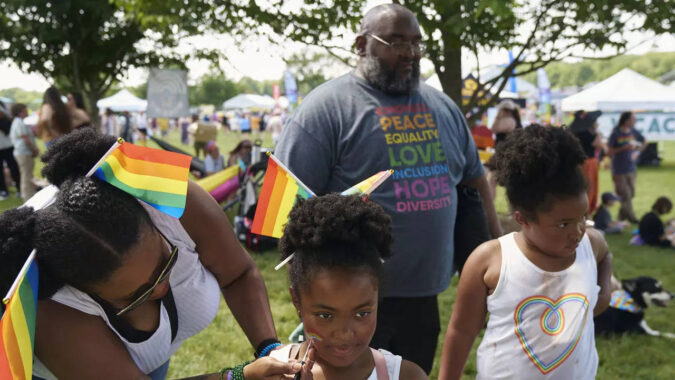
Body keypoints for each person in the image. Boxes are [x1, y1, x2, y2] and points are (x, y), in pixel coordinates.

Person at [274, 4, 502, 373]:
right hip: (347, 302)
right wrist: (309, 295)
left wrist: (497, 249)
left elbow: (474, 180)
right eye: (396, 41)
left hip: (423, 296)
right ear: (362, 44)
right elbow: (286, 199)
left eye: (416, 43)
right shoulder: (325, 109)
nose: (410, 53)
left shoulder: (443, 107)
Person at [0, 128, 296, 379]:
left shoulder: (173, 203)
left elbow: (238, 274)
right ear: (81, 290)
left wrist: (270, 349)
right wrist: (240, 375)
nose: (163, 287)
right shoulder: (51, 311)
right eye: (136, 296)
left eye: (166, 263)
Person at [439, 126, 613, 380]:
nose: (577, 232)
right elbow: (461, 331)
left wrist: (603, 290)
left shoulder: (590, 244)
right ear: (523, 219)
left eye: (583, 218)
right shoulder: (491, 261)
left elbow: (605, 254)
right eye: (563, 224)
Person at [271, 194, 428, 379]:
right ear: (297, 300)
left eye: (362, 314)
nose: (344, 334)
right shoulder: (272, 372)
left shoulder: (406, 376)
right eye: (326, 315)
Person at [608, 111, 646, 223]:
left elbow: (645, 141)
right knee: (626, 194)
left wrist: (637, 152)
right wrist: (623, 148)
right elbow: (609, 151)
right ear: (626, 120)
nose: (635, 121)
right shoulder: (616, 133)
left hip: (631, 169)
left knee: (631, 193)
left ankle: (621, 217)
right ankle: (632, 217)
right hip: (619, 169)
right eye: (633, 119)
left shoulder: (634, 132)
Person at [485, 99, 522, 200]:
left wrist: (497, 117)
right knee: (496, 180)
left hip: (506, 155)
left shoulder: (509, 121)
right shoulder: (513, 120)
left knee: (497, 181)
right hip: (505, 154)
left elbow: (494, 129)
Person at [570, 110, 603, 214]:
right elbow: (597, 144)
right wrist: (598, 135)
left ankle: (587, 210)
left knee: (589, 186)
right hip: (588, 162)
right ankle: (586, 210)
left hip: (586, 162)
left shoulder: (578, 131)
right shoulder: (585, 133)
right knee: (590, 187)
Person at [9, 103, 39, 200]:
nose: (27, 112)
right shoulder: (19, 123)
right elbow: (25, 139)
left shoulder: (19, 122)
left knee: (28, 174)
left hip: (24, 152)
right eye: (25, 110)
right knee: (26, 175)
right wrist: (34, 149)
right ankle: (27, 197)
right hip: (23, 152)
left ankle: (30, 195)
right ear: (20, 112)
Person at [0, 102, 21, 199]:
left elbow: (5, 116)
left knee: (13, 168)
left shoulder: (3, 105)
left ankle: (19, 189)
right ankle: (4, 191)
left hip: (8, 145)